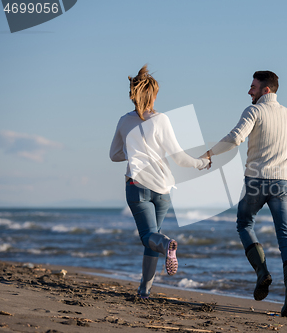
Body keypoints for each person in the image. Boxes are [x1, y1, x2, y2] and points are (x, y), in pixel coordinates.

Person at [201, 71, 287, 317]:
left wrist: (210, 153)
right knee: (285, 236)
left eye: (253, 87)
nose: (249, 91)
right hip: (283, 182)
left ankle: (262, 273)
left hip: (257, 181)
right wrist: (280, 156)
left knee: (244, 223)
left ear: (266, 90)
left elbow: (236, 138)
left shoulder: (254, 111)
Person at [110, 65, 211, 299]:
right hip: (163, 189)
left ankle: (166, 245)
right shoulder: (161, 119)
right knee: (150, 239)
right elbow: (178, 157)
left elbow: (114, 155)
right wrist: (201, 163)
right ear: (153, 95)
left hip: (137, 187)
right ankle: (144, 290)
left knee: (149, 237)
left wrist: (134, 152)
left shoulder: (124, 121)